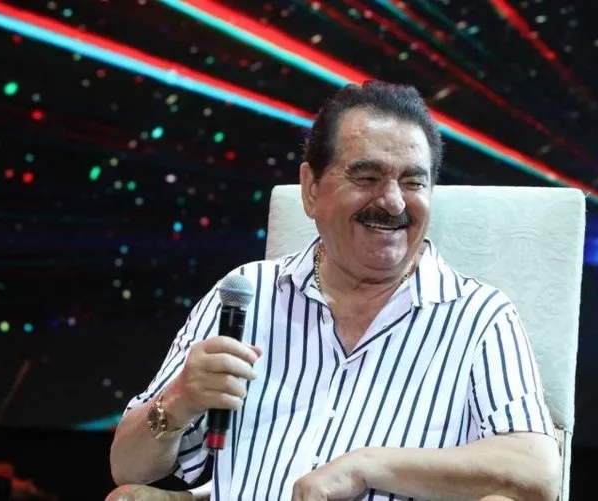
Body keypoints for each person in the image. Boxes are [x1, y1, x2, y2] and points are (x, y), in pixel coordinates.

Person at [109, 80, 561, 501]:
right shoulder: (248, 294)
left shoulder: (479, 316)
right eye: (367, 177)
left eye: (413, 182)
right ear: (311, 189)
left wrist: (367, 466)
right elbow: (127, 467)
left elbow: (536, 469)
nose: (393, 202)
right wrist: (181, 398)